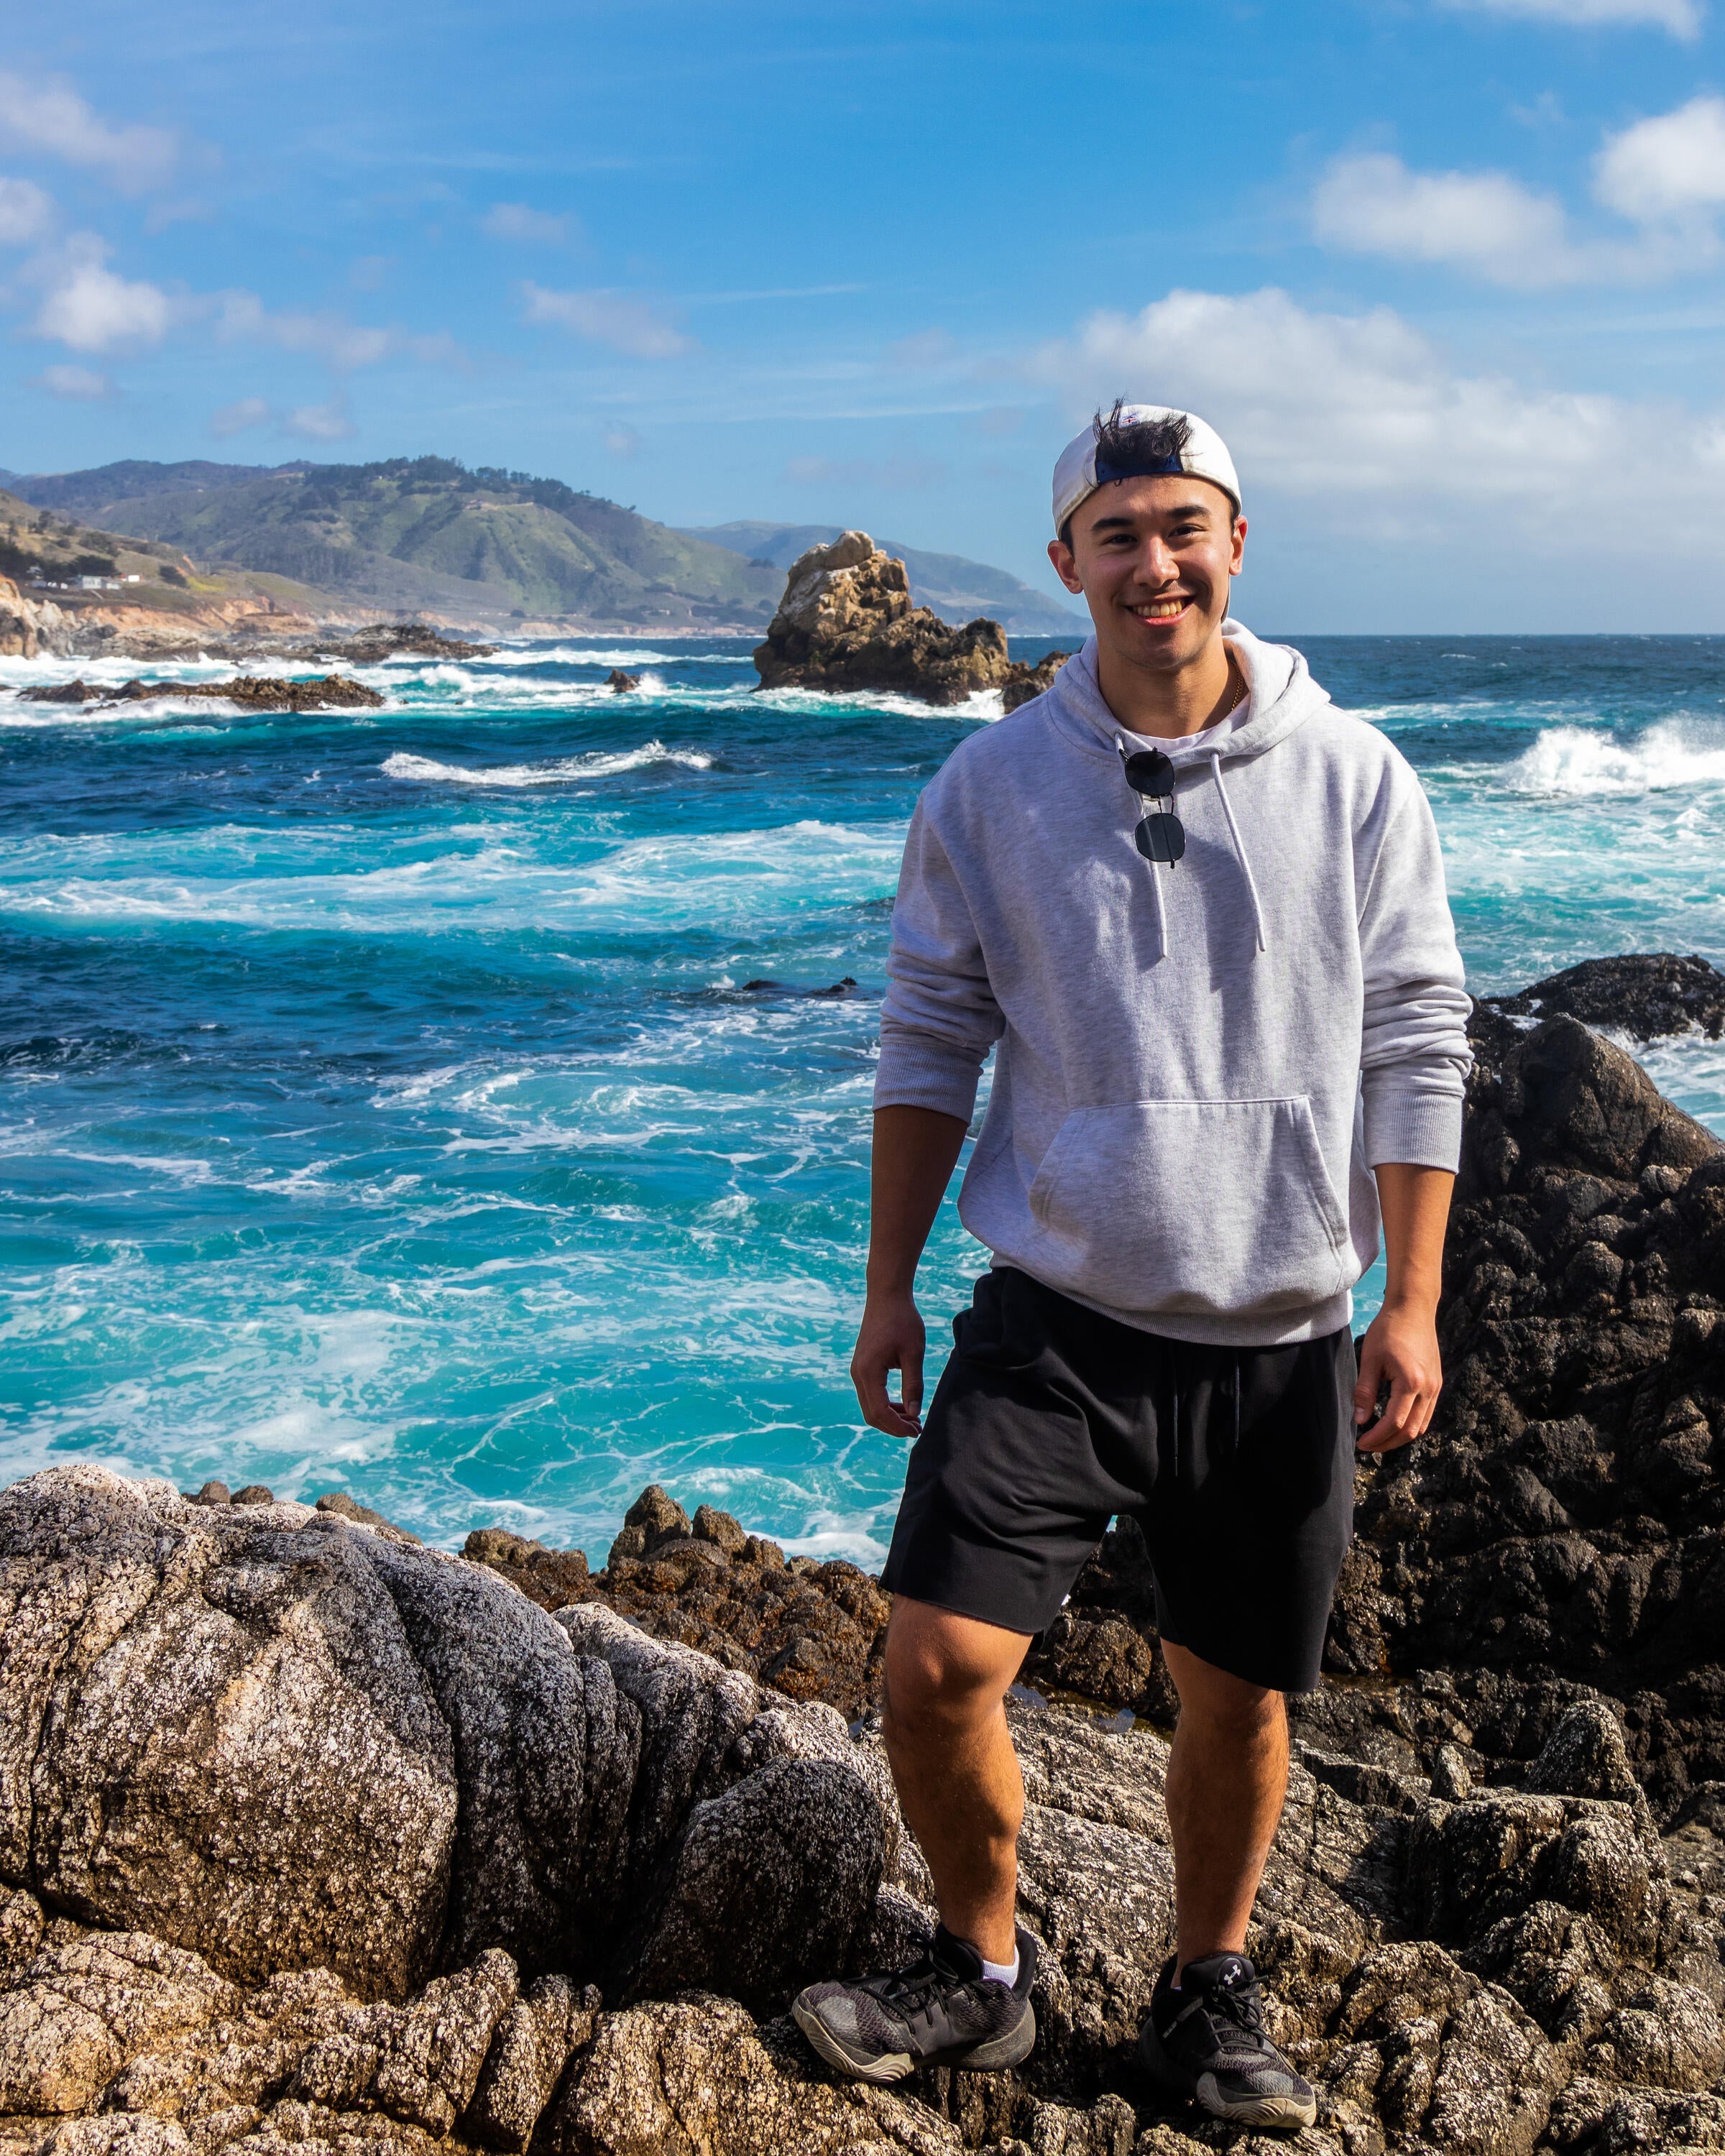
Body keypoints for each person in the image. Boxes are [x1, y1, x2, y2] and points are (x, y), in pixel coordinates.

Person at [791, 402, 1471, 2130]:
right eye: (1119, 531)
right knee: (937, 1664)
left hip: (1276, 1330)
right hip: (1060, 1320)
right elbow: (930, 1035)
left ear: (1238, 543)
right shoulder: (991, 786)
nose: (1154, 560)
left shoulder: (1357, 777)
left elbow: (1417, 1030)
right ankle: (980, 1972)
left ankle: (1207, 1987)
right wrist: (889, 1284)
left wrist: (1410, 1298)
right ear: (1066, 561)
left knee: (1236, 1702)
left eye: (1186, 525)